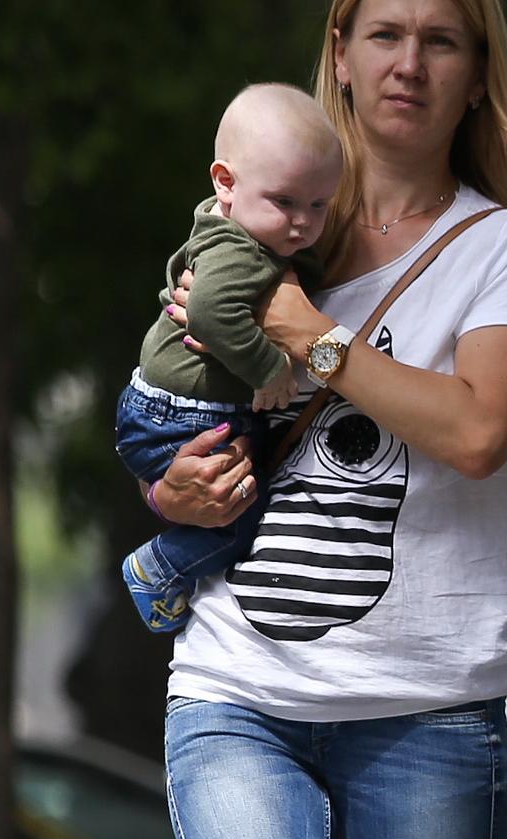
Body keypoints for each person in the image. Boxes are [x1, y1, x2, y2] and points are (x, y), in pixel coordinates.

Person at [138, 0, 507, 839]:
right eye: (385, 34)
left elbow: (478, 431)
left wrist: (310, 335)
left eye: (442, 41)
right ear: (340, 53)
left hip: (427, 712)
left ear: (479, 76)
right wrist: (175, 495)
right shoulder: (254, 227)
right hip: (235, 692)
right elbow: (174, 413)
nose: (409, 63)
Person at [113, 83, 341, 634]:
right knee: (241, 516)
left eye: (319, 206)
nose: (303, 223)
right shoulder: (243, 249)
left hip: (173, 407)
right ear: (226, 182)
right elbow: (212, 316)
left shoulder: (242, 232)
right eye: (285, 202)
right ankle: (158, 568)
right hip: (186, 414)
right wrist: (270, 367)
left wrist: (312, 342)